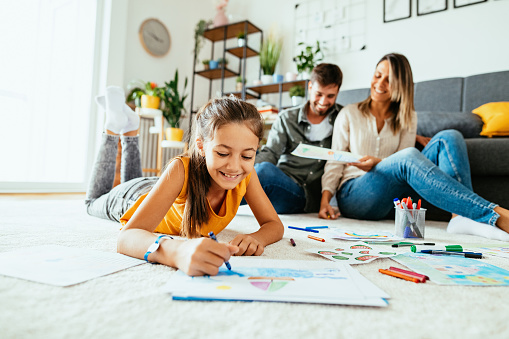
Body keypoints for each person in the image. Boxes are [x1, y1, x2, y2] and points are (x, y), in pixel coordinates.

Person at [86, 88, 284, 276]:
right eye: (223, 153)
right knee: (92, 201)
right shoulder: (181, 168)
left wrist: (257, 238)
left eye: (247, 156)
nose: (234, 166)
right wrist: (176, 250)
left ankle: (130, 128)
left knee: (131, 179)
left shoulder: (246, 176)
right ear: (201, 146)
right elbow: (127, 237)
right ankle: (112, 129)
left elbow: (274, 224)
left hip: (162, 187)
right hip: (130, 198)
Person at [319, 53, 509, 241]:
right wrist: (325, 200)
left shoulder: (407, 117)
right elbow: (334, 160)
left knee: (449, 136)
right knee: (408, 156)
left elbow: (403, 172)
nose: (380, 84)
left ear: (401, 85)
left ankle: (458, 217)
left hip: (393, 199)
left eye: (389, 79)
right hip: (355, 194)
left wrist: (380, 162)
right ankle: (495, 214)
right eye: (378, 75)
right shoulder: (349, 113)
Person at [254, 63, 343, 214]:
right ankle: (212, 202)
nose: (323, 102)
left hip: (305, 198)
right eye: (318, 94)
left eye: (330, 96)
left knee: (264, 172)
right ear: (309, 87)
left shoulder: (343, 118)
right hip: (280, 182)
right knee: (258, 168)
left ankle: (212, 202)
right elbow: (270, 153)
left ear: (338, 92)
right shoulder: (287, 118)